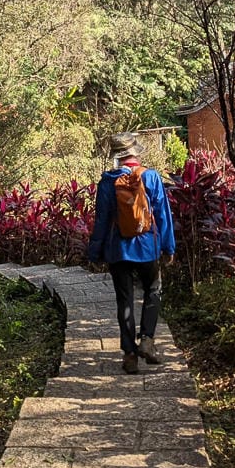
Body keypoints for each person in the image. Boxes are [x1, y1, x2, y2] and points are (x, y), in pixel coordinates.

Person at [86, 131, 176, 374]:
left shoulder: (107, 181)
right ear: (135, 152)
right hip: (148, 247)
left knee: (124, 300)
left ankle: (129, 355)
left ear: (117, 156)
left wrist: (95, 253)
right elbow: (163, 216)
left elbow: (102, 220)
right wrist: (168, 248)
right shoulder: (151, 177)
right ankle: (147, 339)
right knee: (153, 289)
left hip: (118, 249)